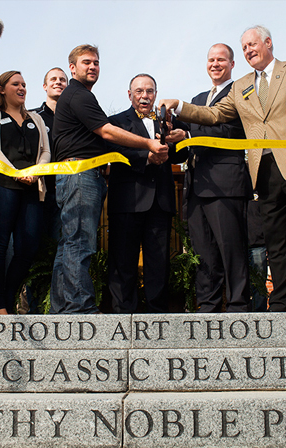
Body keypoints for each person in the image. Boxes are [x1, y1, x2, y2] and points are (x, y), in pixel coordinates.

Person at [161, 26, 286, 312]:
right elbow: (214, 114)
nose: (249, 50)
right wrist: (179, 106)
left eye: (252, 44)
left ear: (268, 43)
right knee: (278, 243)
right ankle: (283, 302)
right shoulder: (241, 86)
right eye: (244, 47)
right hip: (263, 172)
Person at [50, 44, 168, 315]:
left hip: (78, 174)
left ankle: (62, 308)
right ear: (72, 68)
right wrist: (149, 144)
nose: (92, 67)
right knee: (80, 242)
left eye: (96, 62)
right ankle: (79, 308)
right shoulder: (78, 94)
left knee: (69, 242)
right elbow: (107, 132)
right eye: (86, 62)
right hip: (79, 175)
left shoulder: (79, 96)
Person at [106, 73, 188, 314]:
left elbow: (180, 156)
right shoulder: (115, 122)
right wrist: (146, 157)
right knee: (123, 262)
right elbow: (114, 148)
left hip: (160, 204)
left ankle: (157, 315)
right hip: (126, 202)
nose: (145, 96)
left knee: (158, 263)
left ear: (156, 95)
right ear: (130, 95)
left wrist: (179, 137)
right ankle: (123, 314)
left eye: (149, 91)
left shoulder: (167, 122)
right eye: (139, 91)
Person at [182, 43, 252, 313]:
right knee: (203, 253)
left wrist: (189, 137)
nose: (215, 64)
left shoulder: (241, 94)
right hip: (196, 187)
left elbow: (229, 130)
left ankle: (237, 305)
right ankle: (208, 305)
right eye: (211, 59)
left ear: (232, 64)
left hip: (226, 183)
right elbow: (185, 138)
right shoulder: (198, 99)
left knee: (231, 247)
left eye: (221, 60)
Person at [0, 70, 51, 314]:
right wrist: (14, 172)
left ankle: (9, 300)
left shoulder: (35, 119)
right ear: (2, 89)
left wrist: (36, 172)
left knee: (28, 247)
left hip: (32, 188)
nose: (22, 88)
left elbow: (46, 152)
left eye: (24, 85)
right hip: (2, 186)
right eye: (15, 84)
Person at [31, 67, 68, 241]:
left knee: (58, 243)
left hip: (66, 190)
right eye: (53, 79)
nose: (58, 82)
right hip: (36, 190)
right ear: (45, 86)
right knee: (32, 243)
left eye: (62, 80)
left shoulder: (75, 119)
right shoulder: (31, 116)